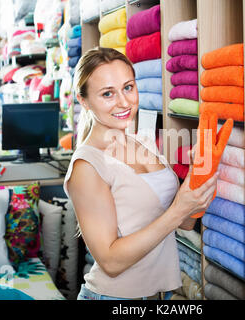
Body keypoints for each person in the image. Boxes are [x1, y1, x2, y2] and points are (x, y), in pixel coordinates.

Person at [64, 47, 218, 300]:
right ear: (84, 101)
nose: (124, 102)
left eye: (128, 87)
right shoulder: (87, 165)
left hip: (160, 294)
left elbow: (184, 222)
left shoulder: (145, 143)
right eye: (107, 94)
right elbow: (111, 262)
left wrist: (197, 178)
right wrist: (180, 208)